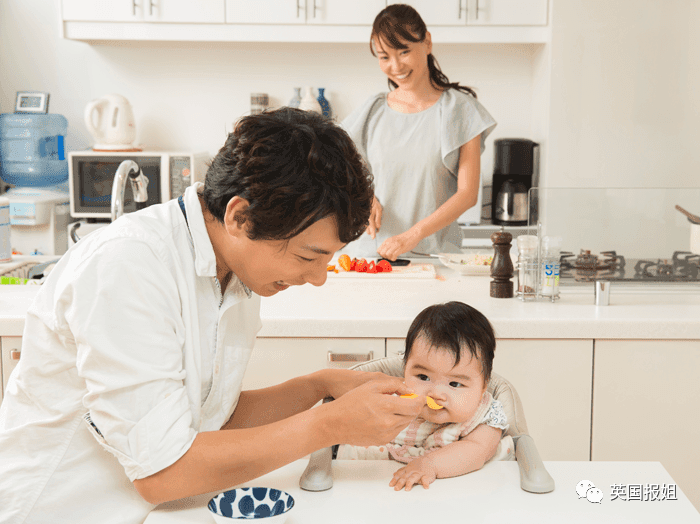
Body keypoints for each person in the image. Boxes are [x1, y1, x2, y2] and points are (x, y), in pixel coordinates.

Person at [0, 108, 425, 524]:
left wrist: (320, 386)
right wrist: (329, 425)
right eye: (306, 257)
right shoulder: (129, 265)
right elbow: (163, 472)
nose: (318, 278)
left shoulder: (236, 269)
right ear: (240, 217)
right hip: (60, 510)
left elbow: (211, 417)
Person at [341, 4, 497, 260]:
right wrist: (365, 197)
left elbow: (467, 195)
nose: (395, 65)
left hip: (434, 258)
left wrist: (411, 236)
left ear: (427, 42)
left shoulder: (461, 110)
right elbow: (338, 170)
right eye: (384, 57)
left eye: (404, 51)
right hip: (369, 257)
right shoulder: (372, 110)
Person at [337, 301, 512, 491]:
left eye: (455, 384)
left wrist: (431, 464)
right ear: (405, 370)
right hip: (376, 485)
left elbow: (477, 450)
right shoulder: (395, 398)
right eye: (423, 377)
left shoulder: (484, 415)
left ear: (483, 387)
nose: (435, 393)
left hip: (460, 493)